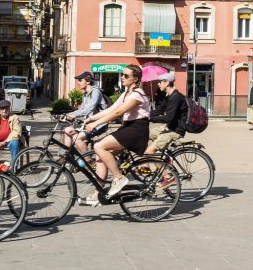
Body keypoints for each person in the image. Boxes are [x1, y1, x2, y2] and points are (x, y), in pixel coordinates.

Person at [82, 64, 151, 201]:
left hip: (136, 129)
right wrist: (90, 118)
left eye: (126, 76)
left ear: (136, 79)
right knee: (100, 157)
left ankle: (119, 178)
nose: (122, 77)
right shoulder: (126, 93)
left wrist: (96, 124)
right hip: (128, 128)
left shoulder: (137, 95)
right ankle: (98, 194)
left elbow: (119, 112)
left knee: (99, 146)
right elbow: (111, 109)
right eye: (122, 75)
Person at [63, 72, 109, 154]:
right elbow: (82, 109)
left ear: (88, 81)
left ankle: (88, 161)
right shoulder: (86, 94)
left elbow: (88, 109)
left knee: (76, 138)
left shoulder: (96, 92)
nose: (78, 82)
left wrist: (73, 115)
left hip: (99, 125)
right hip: (88, 124)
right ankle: (66, 155)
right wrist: (66, 115)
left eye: (80, 80)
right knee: (67, 130)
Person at [144, 72, 187, 155]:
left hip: (176, 131)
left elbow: (168, 118)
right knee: (143, 135)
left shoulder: (176, 97)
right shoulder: (169, 96)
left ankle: (164, 168)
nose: (158, 84)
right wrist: (143, 114)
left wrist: (149, 118)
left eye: (160, 82)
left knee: (148, 152)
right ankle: (161, 162)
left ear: (166, 83)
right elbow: (159, 110)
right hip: (169, 127)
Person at [0, 100, 22, 170]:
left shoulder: (15, 117)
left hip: (9, 141)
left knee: (15, 143)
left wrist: (4, 142)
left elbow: (16, 132)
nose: (4, 110)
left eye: (6, 108)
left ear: (9, 108)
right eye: (2, 108)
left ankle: (14, 167)